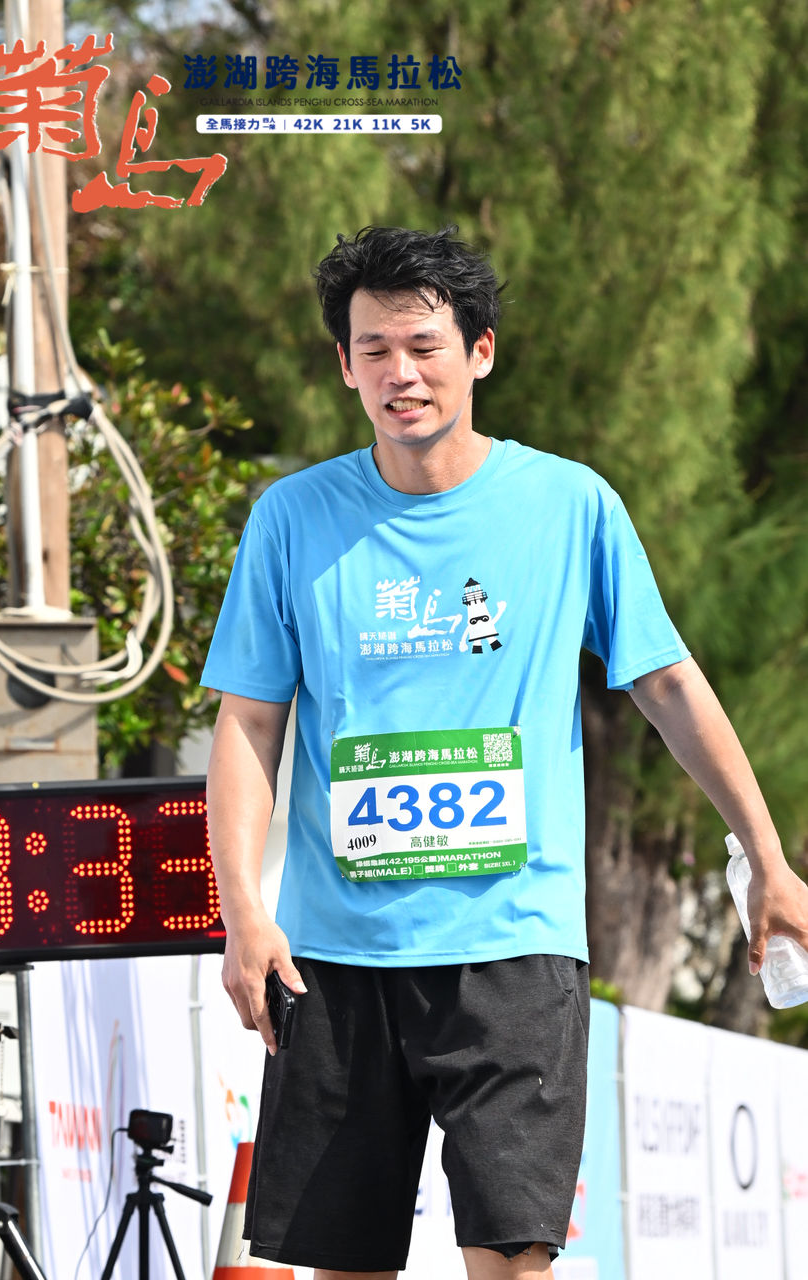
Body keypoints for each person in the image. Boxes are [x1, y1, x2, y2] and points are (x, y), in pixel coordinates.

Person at [202, 226, 808, 1280]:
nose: (400, 373)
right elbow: (251, 722)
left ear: (479, 351)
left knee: (513, 1260)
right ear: (344, 364)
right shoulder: (291, 517)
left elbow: (665, 681)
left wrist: (768, 857)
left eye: (424, 346)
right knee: (342, 1266)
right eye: (374, 349)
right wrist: (243, 913)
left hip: (512, 945)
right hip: (337, 954)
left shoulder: (568, 505)